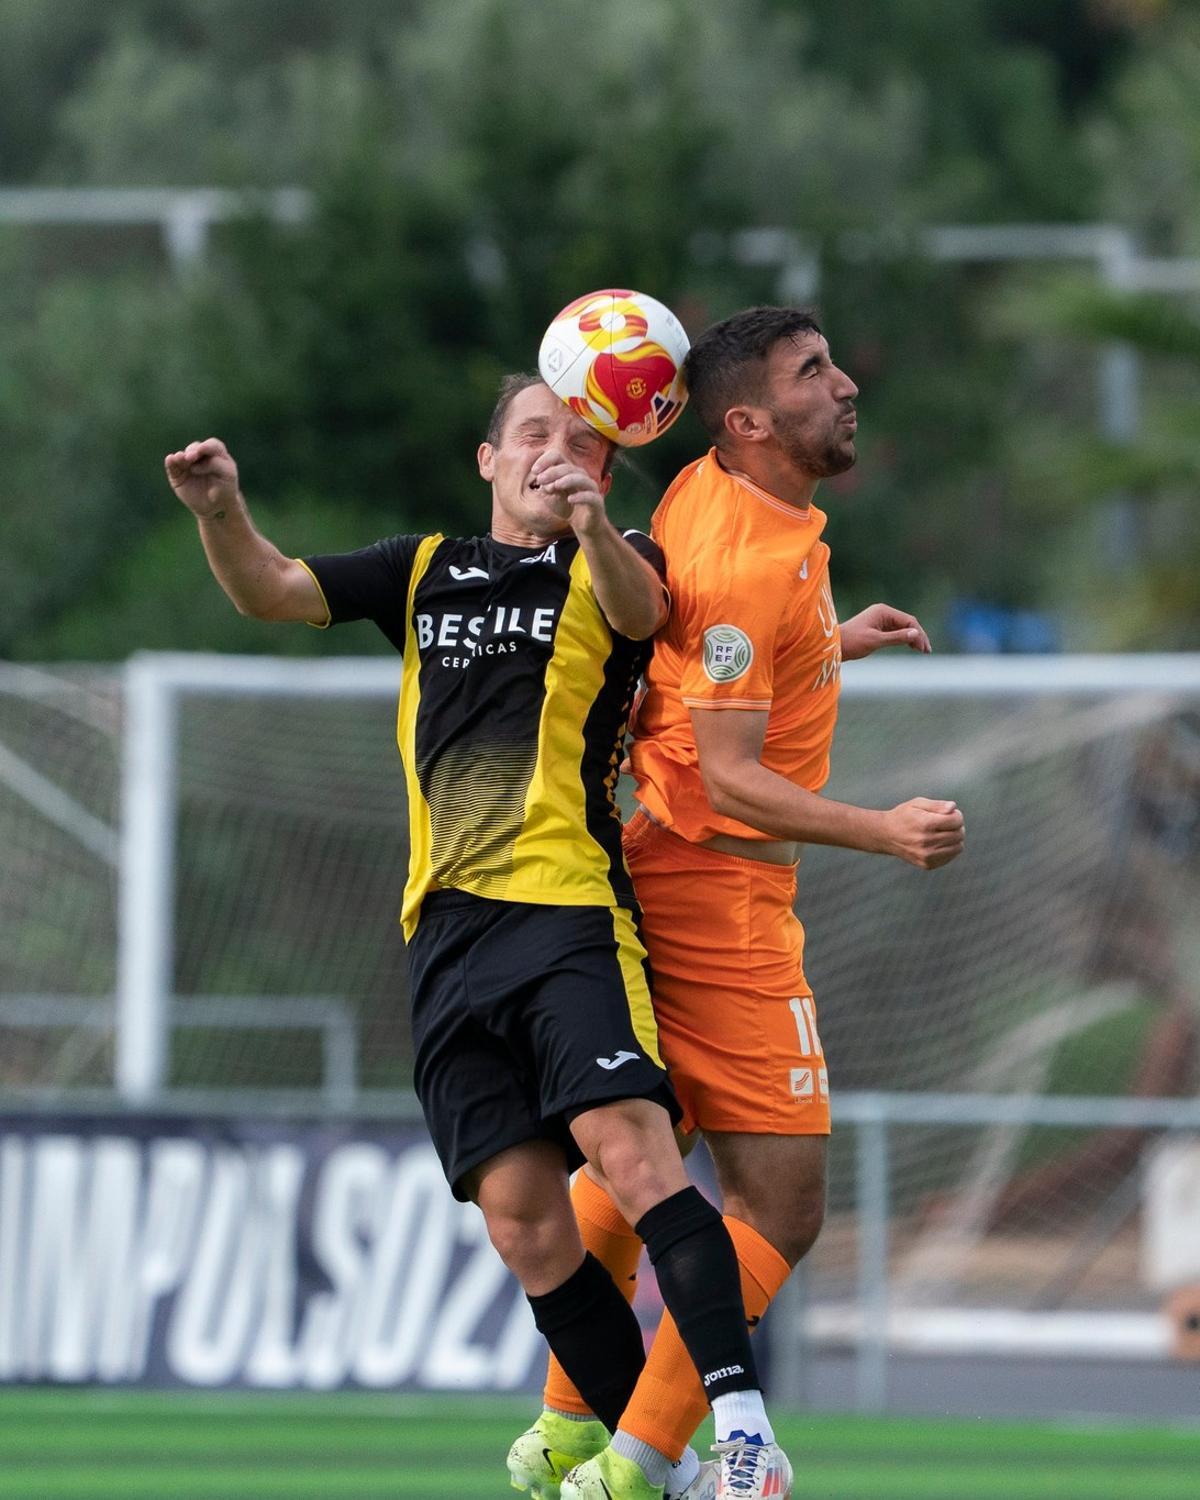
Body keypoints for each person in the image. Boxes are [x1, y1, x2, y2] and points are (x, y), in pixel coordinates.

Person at [164, 372, 789, 1500]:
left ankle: (747, 1429)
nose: (557, 455)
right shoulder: (422, 569)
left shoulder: (614, 561)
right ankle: (684, 1482)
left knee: (632, 1155)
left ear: (603, 475)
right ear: (489, 460)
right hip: (445, 937)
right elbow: (271, 591)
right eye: (534, 435)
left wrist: (596, 522)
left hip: (566, 914)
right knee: (524, 1227)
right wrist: (222, 512)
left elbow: (651, 619)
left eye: (583, 447)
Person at [517, 307, 966, 1500]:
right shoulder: (747, 562)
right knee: (784, 1201)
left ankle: (569, 1430)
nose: (847, 383)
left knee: (650, 1158)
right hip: (714, 891)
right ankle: (639, 1462)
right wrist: (885, 830)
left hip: (670, 863)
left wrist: (828, 642)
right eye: (814, 372)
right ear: (750, 421)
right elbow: (728, 771)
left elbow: (694, 648)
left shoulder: (714, 494)